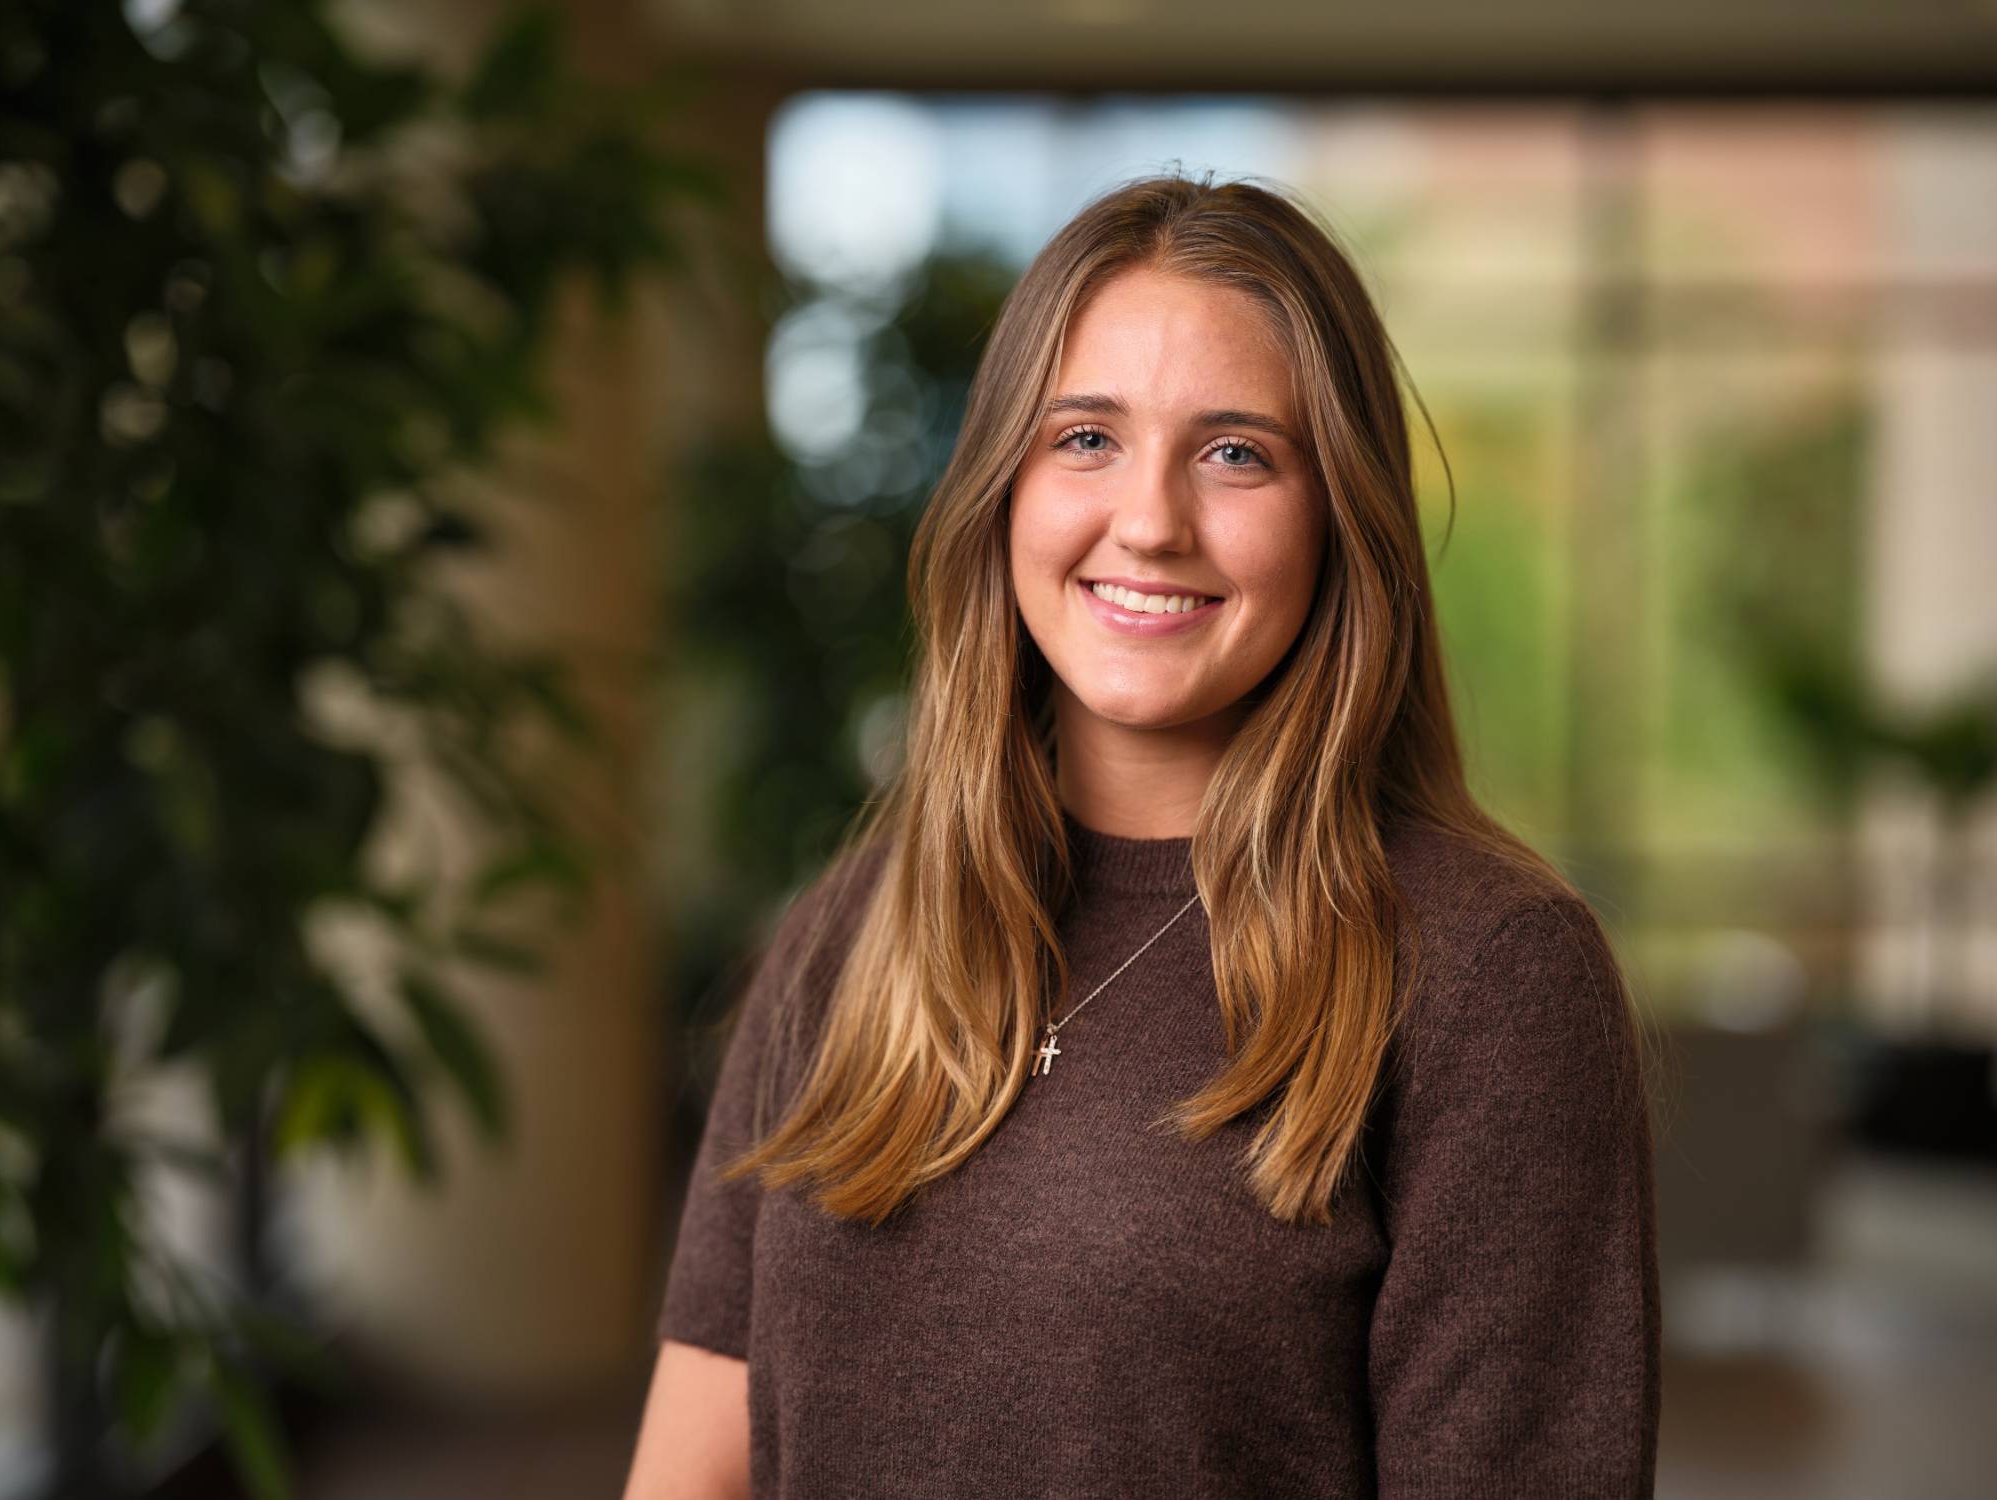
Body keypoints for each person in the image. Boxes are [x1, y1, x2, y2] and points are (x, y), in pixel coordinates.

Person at [622, 171, 1662, 1499]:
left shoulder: (1489, 974)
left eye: (1237, 452)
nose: (1153, 520)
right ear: (1002, 486)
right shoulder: (856, 925)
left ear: (1340, 515)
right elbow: (688, 1471)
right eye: (1086, 439)